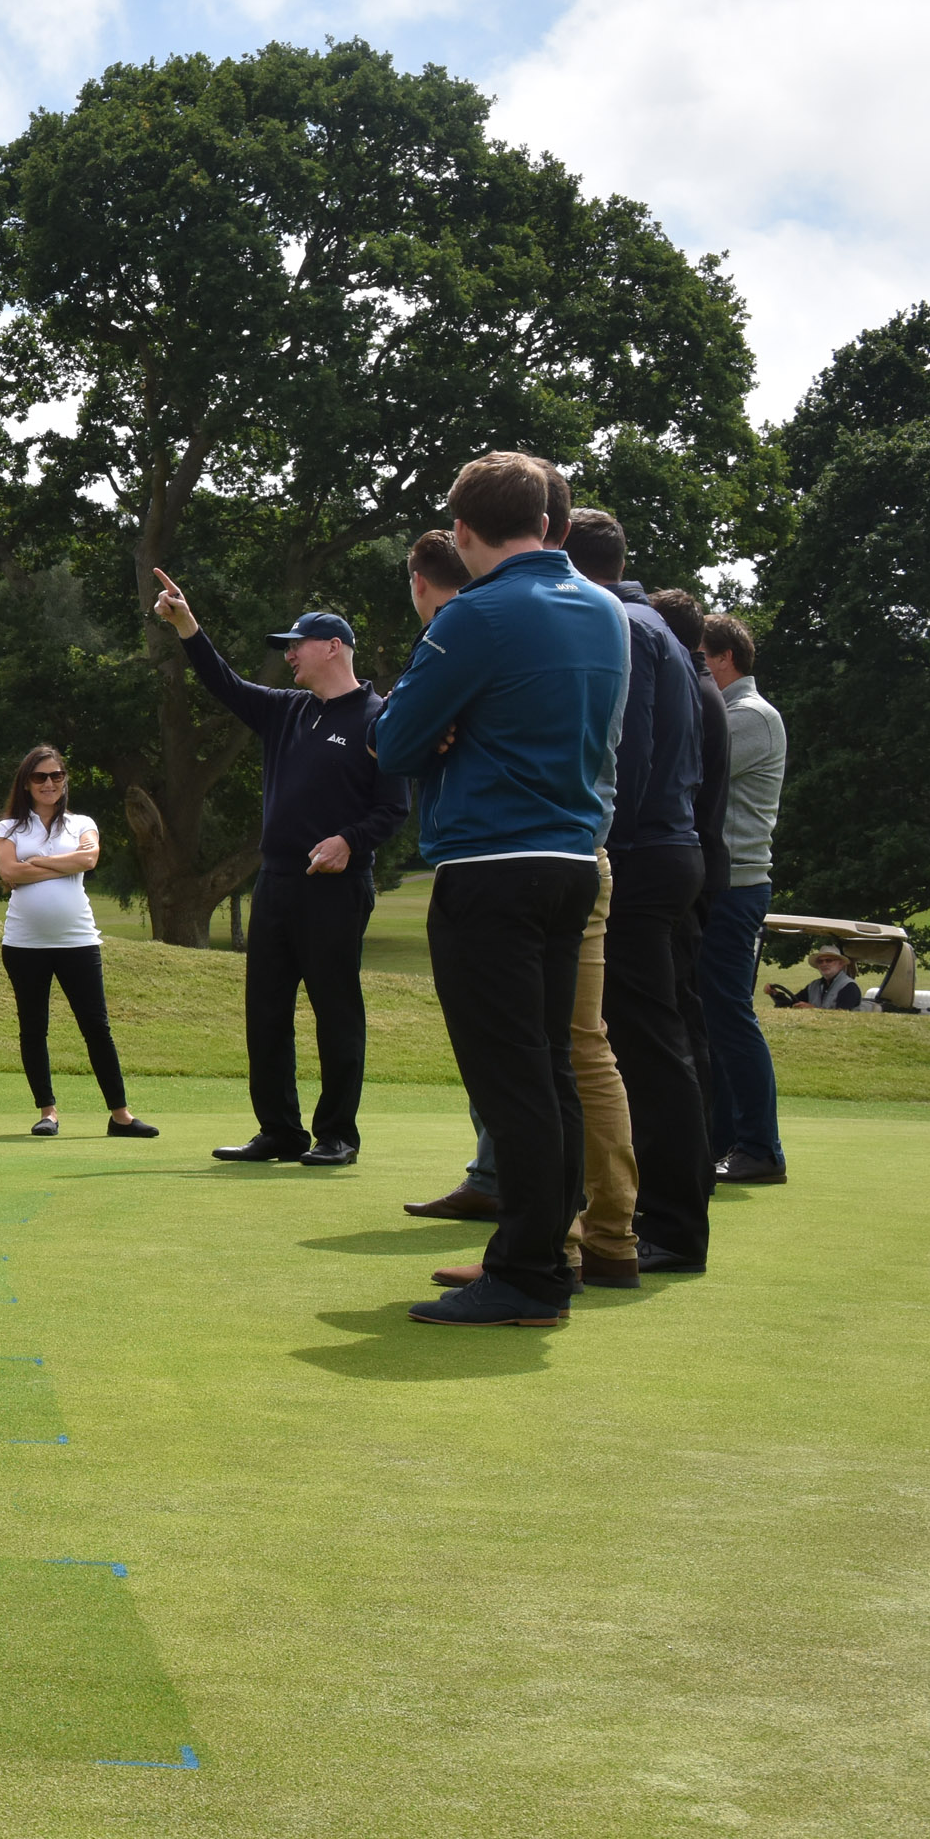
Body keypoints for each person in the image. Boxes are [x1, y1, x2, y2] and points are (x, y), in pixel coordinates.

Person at [372, 451, 626, 1328]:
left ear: (465, 531)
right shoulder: (606, 610)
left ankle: (527, 1275)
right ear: (549, 521)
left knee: (509, 1078)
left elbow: (396, 740)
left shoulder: (474, 615)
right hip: (572, 863)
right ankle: (537, 1257)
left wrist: (441, 727)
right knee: (548, 1070)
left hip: (491, 868)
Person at [152, 578, 408, 1167]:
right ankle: (280, 1131)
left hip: (337, 888)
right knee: (265, 1010)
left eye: (298, 643)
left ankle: (338, 1134)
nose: (289, 653)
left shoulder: (379, 718)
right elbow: (223, 683)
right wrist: (187, 626)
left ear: (335, 647)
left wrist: (350, 839)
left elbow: (394, 808)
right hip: (278, 882)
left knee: (335, 1010)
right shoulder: (285, 710)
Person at [562, 509, 715, 1278]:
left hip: (639, 853)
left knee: (644, 1048)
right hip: (674, 848)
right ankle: (665, 1218)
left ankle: (671, 1226)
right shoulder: (659, 626)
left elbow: (635, 753)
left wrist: (600, 846)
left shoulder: (618, 624)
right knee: (657, 1040)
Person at [0, 744, 154, 1138]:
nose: (49, 783)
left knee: (96, 1026)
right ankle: (48, 1112)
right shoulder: (9, 828)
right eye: (40, 777)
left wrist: (36, 865)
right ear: (27, 783)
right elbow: (8, 869)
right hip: (24, 943)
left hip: (77, 940)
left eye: (56, 776)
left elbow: (88, 860)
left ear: (65, 781)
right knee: (33, 1027)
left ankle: (121, 1116)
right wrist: (56, 866)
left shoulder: (81, 823)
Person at [701, 612, 789, 1186]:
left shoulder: (750, 717)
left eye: (700, 657)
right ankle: (724, 1141)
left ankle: (760, 1148)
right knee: (712, 1018)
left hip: (736, 888)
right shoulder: (733, 712)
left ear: (724, 658)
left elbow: (694, 770)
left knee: (730, 1016)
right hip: (718, 886)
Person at [775, 947, 862, 1012]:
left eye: (828, 960)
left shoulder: (849, 987)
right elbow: (792, 1003)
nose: (824, 964)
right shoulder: (814, 986)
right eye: (820, 961)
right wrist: (775, 994)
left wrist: (813, 1009)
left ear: (840, 964)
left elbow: (843, 1016)